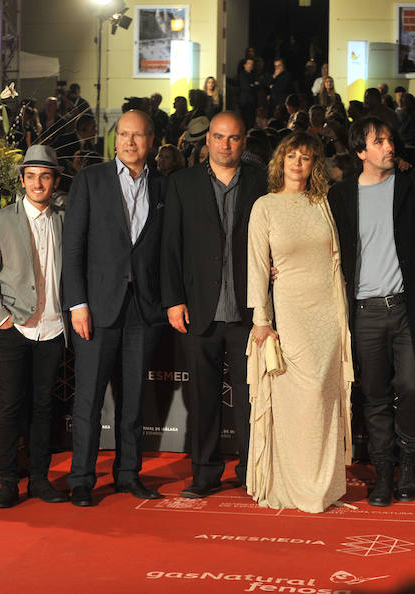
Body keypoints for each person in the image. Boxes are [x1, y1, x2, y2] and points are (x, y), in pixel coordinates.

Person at [328, 116, 415, 507]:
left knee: (412, 386)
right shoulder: (340, 195)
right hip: (364, 313)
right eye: (379, 142)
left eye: (390, 139)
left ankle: (408, 465)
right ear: (361, 151)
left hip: (408, 307)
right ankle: (383, 474)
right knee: (373, 396)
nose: (389, 147)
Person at [63, 110, 168, 507]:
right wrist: (78, 304)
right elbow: (73, 249)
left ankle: (128, 474)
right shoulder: (90, 180)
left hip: (142, 311)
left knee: (133, 400)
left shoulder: (162, 185)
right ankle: (81, 479)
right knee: (88, 400)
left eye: (137, 136)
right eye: (123, 134)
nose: (129, 142)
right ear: (114, 139)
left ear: (151, 140)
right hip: (96, 310)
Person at [160, 111, 268, 498]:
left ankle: (251, 471)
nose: (226, 145)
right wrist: (173, 300)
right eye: (219, 137)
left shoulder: (261, 183)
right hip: (198, 309)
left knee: (249, 399)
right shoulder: (181, 184)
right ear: (207, 141)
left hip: (248, 312)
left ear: (244, 142)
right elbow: (170, 247)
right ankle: (205, 474)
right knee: (203, 399)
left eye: (234, 138)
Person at [245, 131, 353, 513]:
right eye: (291, 156)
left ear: (314, 165)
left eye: (305, 158)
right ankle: (292, 485)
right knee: (296, 402)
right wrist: (262, 319)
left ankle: (322, 488)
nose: (297, 163)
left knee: (323, 401)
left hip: (327, 313)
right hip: (289, 314)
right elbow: (257, 265)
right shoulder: (265, 206)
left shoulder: (324, 202)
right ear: (280, 161)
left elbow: (339, 255)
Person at [0, 145, 68, 509]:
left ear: (54, 181)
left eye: (45, 176)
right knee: (11, 406)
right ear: (22, 180)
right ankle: (9, 481)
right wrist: (1, 318)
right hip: (13, 327)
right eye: (31, 176)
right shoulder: (0, 220)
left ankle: (41, 479)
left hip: (54, 327)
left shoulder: (65, 217)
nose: (38, 183)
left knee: (44, 406)